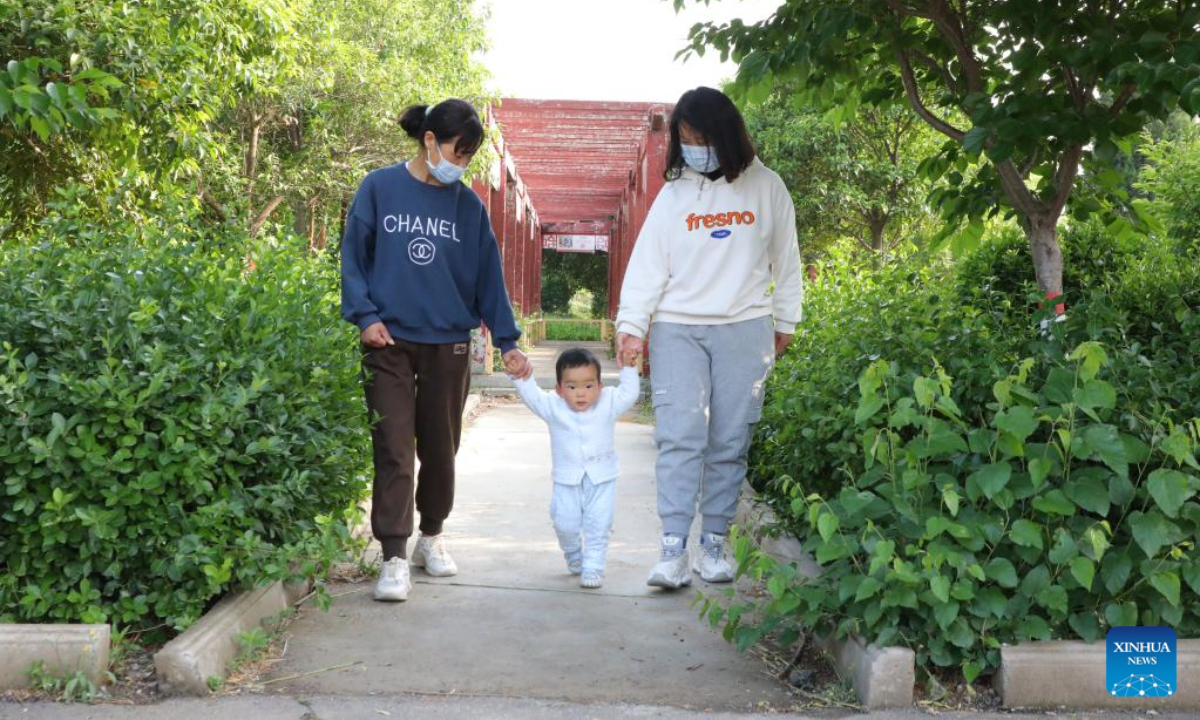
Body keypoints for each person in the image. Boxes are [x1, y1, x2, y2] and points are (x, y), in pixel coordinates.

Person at [341, 99, 533, 603]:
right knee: (394, 448)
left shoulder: (468, 207)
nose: (461, 163)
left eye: (469, 156)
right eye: (456, 151)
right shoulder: (379, 188)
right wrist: (366, 315)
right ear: (429, 141)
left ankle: (432, 536)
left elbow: (489, 278)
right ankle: (393, 557)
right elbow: (354, 258)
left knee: (441, 451)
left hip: (448, 344)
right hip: (389, 343)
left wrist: (508, 341)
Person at [615, 86, 804, 589]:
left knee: (728, 439)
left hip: (745, 327)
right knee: (680, 437)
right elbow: (647, 265)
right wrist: (632, 326)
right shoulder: (674, 195)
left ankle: (712, 544)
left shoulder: (768, 188)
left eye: (701, 136)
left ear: (726, 134)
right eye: (685, 137)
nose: (694, 146)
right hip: (678, 327)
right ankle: (672, 548)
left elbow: (787, 263)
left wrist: (785, 322)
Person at [510, 348, 640, 589]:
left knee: (598, 523)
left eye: (588, 386)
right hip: (566, 480)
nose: (581, 393)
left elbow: (630, 392)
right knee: (564, 523)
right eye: (571, 387)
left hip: (602, 478)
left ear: (599, 385)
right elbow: (533, 396)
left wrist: (629, 368)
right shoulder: (553, 406)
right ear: (559, 389)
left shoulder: (608, 402)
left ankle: (593, 566)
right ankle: (573, 553)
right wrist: (520, 377)